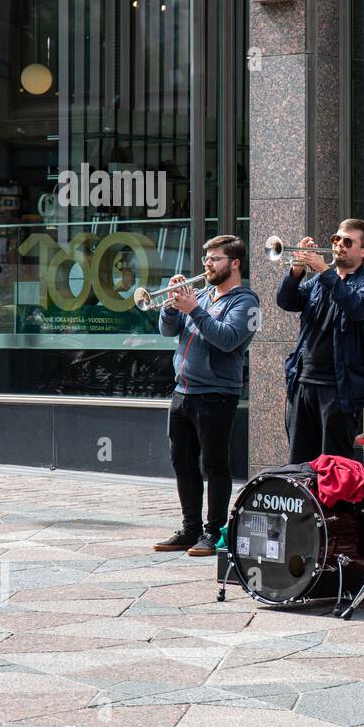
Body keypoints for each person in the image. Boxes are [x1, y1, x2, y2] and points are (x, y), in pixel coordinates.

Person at [153, 236, 260, 556]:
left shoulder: (246, 302)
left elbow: (228, 339)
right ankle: (190, 529)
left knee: (214, 464)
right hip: (182, 391)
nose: (208, 265)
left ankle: (213, 532)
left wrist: (195, 309)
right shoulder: (201, 294)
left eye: (215, 259)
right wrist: (173, 306)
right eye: (206, 260)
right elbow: (167, 331)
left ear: (234, 263)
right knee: (182, 463)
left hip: (216, 394)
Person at [277, 219, 364, 464]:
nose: (339, 246)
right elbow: (287, 301)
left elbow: (357, 307)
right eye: (336, 240)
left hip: (339, 388)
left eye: (348, 242)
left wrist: (325, 271)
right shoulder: (317, 282)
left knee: (335, 464)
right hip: (303, 381)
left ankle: (337, 505)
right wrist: (296, 271)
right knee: (300, 461)